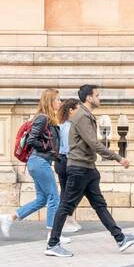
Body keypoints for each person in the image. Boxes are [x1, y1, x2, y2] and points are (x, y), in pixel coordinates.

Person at [45, 84, 134, 257]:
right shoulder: (82, 116)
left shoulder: (85, 115)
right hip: (79, 168)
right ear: (89, 98)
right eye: (97, 95)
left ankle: (121, 239)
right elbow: (93, 143)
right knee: (66, 205)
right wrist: (118, 158)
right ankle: (52, 244)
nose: (100, 98)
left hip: (87, 168)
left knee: (99, 205)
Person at [0, 89, 62, 242]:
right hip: (39, 161)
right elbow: (31, 140)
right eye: (58, 99)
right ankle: (52, 236)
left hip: (38, 162)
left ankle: (10, 218)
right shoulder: (42, 118)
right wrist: (50, 149)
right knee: (54, 198)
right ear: (50, 101)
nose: (60, 102)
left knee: (42, 199)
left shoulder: (48, 119)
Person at [54, 97, 83, 235]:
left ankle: (68, 218)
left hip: (60, 161)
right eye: (78, 109)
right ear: (71, 110)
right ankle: (65, 221)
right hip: (66, 160)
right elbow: (68, 147)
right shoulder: (69, 126)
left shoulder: (61, 124)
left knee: (68, 191)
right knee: (68, 193)